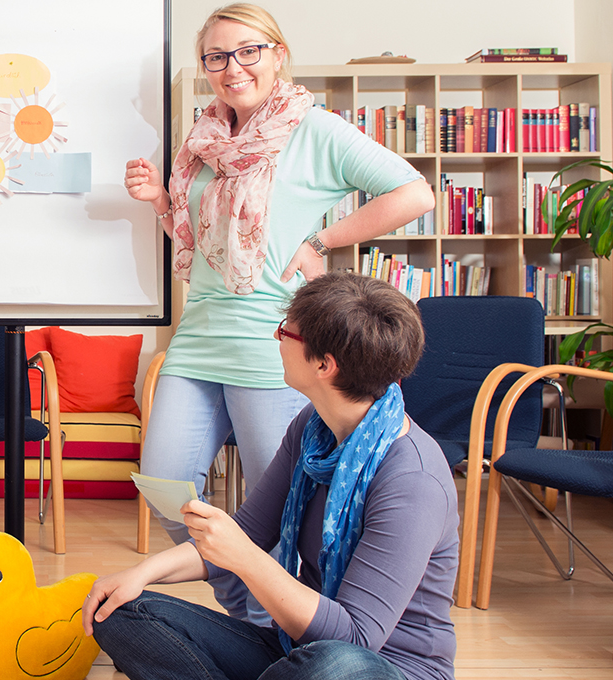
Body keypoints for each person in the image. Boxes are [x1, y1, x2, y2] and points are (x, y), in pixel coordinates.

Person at [124, 3, 435, 617]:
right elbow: (205, 244)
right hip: (200, 334)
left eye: (248, 51)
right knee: (166, 488)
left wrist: (323, 241)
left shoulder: (313, 130)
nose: (232, 67)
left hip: (275, 344)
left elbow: (415, 192)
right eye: (216, 56)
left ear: (277, 54)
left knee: (285, 511)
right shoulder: (207, 138)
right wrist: (164, 200)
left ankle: (279, 622)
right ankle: (253, 612)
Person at [83, 273, 458, 680]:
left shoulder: (413, 480)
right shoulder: (311, 430)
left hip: (382, 667)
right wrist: (141, 574)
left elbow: (355, 638)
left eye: (286, 333)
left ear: (324, 365)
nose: (276, 339)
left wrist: (244, 559)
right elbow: (246, 531)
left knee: (332, 666)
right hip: (297, 649)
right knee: (120, 611)